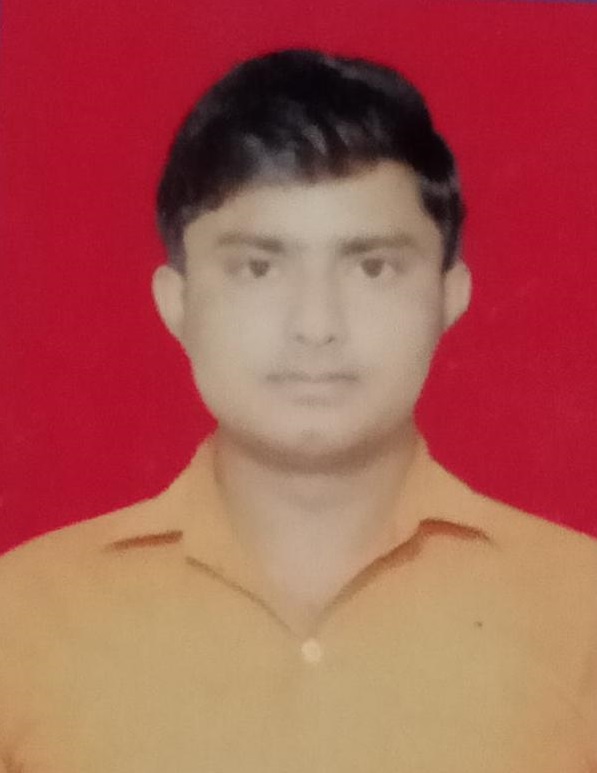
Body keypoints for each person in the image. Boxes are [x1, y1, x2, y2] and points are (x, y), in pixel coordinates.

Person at [0, 48, 595, 773]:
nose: (315, 325)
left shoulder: (580, 611)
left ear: (450, 297)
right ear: (177, 303)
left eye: (372, 267)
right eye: (257, 267)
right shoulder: (21, 615)